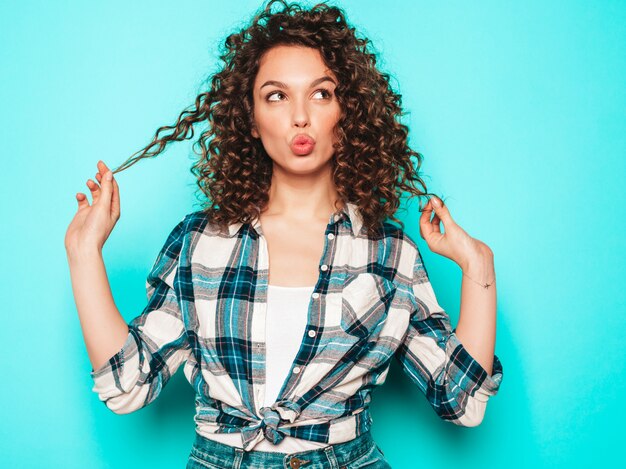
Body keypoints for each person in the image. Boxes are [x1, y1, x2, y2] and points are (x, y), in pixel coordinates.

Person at [64, 1, 503, 467]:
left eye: (321, 94)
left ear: (347, 110)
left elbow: (463, 402)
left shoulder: (390, 252)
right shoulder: (199, 242)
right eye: (276, 95)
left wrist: (479, 267)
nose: (300, 116)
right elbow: (128, 383)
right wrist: (83, 252)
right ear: (250, 119)